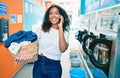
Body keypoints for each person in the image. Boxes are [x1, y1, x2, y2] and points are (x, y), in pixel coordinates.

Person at [32, 4, 70, 78]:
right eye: (51, 13)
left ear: (61, 16)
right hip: (39, 63)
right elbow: (32, 38)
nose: (53, 15)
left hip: (54, 66)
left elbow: (62, 49)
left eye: (56, 13)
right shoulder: (43, 28)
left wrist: (60, 27)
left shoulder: (65, 31)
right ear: (48, 16)